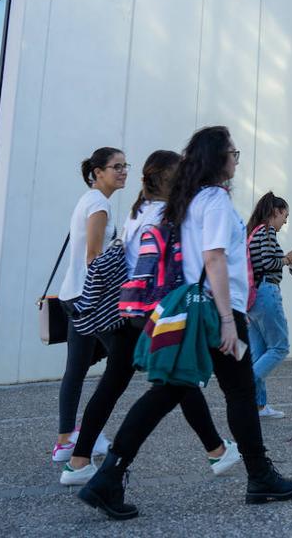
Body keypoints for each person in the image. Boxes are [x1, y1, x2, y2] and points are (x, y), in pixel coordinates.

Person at [79, 127, 292, 519]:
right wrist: (228, 322)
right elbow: (214, 258)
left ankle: (109, 477)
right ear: (218, 159)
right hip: (216, 308)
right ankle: (260, 477)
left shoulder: (187, 200)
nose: (237, 159)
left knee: (168, 391)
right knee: (237, 392)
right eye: (233, 153)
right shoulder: (214, 199)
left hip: (193, 306)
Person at [59, 150, 242, 486]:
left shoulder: (138, 213)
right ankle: (216, 450)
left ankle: (78, 460)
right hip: (154, 313)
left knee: (119, 384)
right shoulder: (165, 217)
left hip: (128, 310)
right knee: (176, 380)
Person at [53, 147, 126, 463]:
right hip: (89, 298)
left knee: (77, 369)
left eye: (125, 166)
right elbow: (94, 258)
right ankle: (84, 438)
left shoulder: (91, 201)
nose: (123, 171)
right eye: (116, 167)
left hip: (74, 295)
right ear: (98, 172)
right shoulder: (98, 204)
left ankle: (65, 441)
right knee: (123, 359)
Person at [246, 192, 292, 419]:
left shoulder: (254, 232)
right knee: (280, 348)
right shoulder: (267, 231)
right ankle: (244, 386)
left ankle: (259, 406)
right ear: (276, 212)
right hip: (266, 292)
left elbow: (262, 260)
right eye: (285, 215)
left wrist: (284, 258)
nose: (285, 221)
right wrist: (287, 260)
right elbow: (268, 262)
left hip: (252, 297)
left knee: (258, 352)